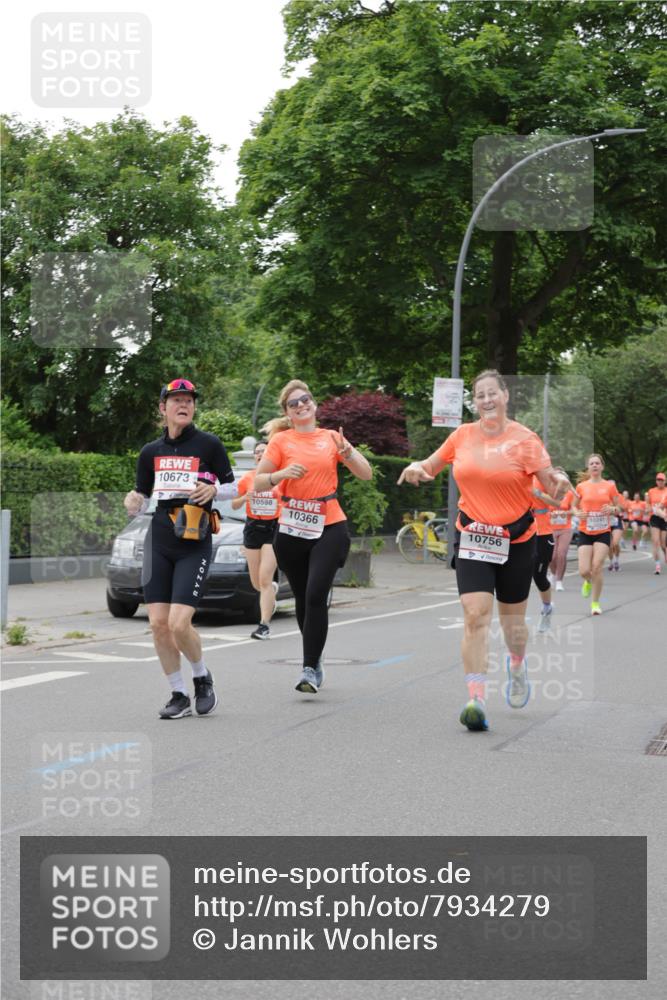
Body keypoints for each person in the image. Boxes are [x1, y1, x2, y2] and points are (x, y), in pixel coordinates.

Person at [398, 369, 570, 733]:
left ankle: (518, 664)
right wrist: (417, 467)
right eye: (480, 396)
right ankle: (475, 698)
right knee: (475, 614)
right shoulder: (461, 436)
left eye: (493, 393)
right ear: (474, 402)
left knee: (512, 623)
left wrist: (561, 483)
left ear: (505, 395)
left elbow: (551, 489)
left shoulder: (525, 439)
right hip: (473, 535)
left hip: (517, 540)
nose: (487, 400)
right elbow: (430, 465)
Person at [123, 379, 236, 719]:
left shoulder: (209, 444)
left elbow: (234, 487)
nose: (183, 404)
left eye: (188, 400)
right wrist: (133, 501)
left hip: (193, 539)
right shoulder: (150, 452)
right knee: (158, 624)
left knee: (178, 623)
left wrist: (214, 492)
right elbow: (141, 497)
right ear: (163, 408)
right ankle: (178, 694)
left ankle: (202, 678)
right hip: (159, 537)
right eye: (176, 400)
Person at [253, 380, 372, 693]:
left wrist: (349, 454)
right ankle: (314, 658)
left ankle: (308, 669)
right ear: (288, 413)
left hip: (329, 523)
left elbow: (366, 473)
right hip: (292, 527)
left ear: (314, 404)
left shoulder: (332, 437)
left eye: (305, 399)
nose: (301, 405)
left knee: (317, 593)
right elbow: (258, 483)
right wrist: (280, 475)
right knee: (304, 598)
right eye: (294, 403)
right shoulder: (280, 441)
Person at [231, 440, 281, 639]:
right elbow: (234, 505)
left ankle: (264, 626)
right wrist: (245, 498)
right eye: (257, 452)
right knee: (255, 583)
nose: (260, 455)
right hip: (252, 527)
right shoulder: (247, 478)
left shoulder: (279, 478)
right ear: (254, 456)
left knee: (265, 578)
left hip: (273, 528)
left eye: (264, 451)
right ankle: (271, 592)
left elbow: (290, 499)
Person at [571, 454, 622, 615]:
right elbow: (573, 506)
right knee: (584, 570)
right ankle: (587, 581)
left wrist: (612, 509)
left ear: (602, 467)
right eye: (591, 463)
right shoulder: (581, 486)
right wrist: (577, 513)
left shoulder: (609, 486)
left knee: (597, 566)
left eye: (597, 463)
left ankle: (595, 603)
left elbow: (619, 507)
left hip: (603, 531)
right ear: (588, 467)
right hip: (585, 531)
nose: (594, 465)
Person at [530, 478, 556, 632]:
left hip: (543, 533)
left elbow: (557, 502)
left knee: (538, 576)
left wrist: (537, 493)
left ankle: (547, 608)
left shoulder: (544, 477)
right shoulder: (515, 474)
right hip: (521, 531)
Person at [548, 488, 575, 591]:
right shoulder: (548, 493)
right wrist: (549, 514)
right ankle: (553, 574)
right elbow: (542, 509)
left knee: (561, 554)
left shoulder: (569, 494)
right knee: (552, 556)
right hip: (551, 529)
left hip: (565, 528)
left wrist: (565, 513)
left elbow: (574, 509)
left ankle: (559, 581)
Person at [647, 471, 667, 574]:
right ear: (656, 481)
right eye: (658, 480)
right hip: (654, 518)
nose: (659, 482)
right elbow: (648, 505)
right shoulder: (651, 491)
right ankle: (657, 565)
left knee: (663, 544)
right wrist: (649, 509)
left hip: (664, 518)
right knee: (656, 541)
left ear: (665, 481)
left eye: (661, 480)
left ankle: (665, 553)